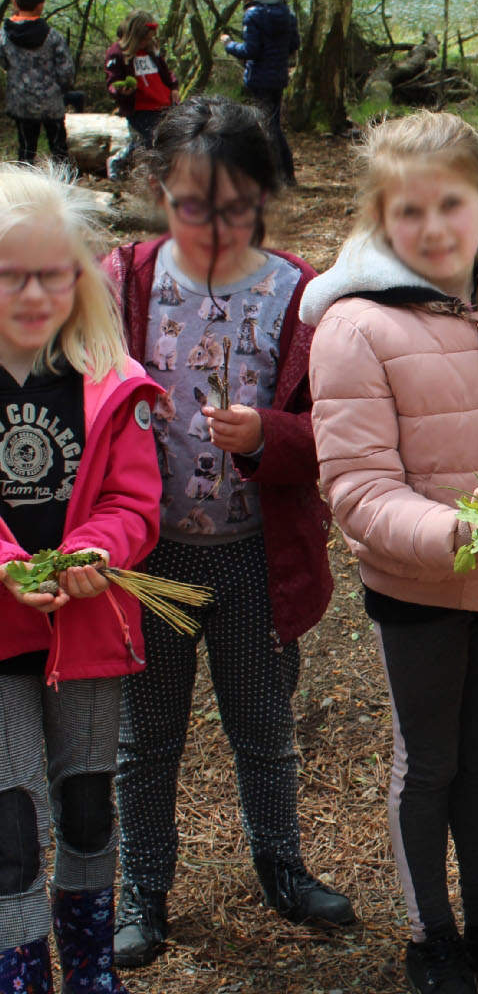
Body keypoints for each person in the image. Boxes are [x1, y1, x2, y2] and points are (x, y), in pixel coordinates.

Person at [303, 109, 478, 994]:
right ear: (379, 219)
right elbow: (358, 487)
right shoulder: (356, 329)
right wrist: (464, 533)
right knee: (432, 757)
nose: (433, 227)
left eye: (450, 204)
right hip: (418, 584)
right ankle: (431, 937)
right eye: (407, 212)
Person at [103, 97, 353, 969]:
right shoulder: (125, 281)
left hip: (254, 552)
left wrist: (271, 439)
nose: (214, 226)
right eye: (192, 206)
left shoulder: (302, 294)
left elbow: (348, 430)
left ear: (268, 197)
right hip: (148, 559)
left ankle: (281, 867)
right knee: (146, 737)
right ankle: (144, 887)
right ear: (156, 189)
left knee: (262, 725)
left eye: (238, 207)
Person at [0, 162, 162, 994]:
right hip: (1, 636)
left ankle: (92, 973)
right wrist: (5, 569)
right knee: (13, 822)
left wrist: (100, 548)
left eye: (54, 274)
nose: (35, 293)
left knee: (90, 806)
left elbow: (135, 498)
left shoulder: (107, 380)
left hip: (87, 631)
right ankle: (20, 970)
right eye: (11, 275)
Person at [220, 0, 300, 186]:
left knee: (267, 126)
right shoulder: (287, 13)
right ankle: (286, 174)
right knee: (273, 123)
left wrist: (229, 44)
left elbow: (251, 50)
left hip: (260, 77)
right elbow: (294, 45)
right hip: (279, 75)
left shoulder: (253, 14)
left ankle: (278, 175)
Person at [0, 0, 74, 166]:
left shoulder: (4, 36)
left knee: (26, 150)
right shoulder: (53, 36)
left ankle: (23, 189)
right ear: (40, 6)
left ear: (15, 3)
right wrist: (63, 89)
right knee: (59, 149)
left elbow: (3, 62)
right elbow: (67, 72)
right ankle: (65, 187)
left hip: (21, 101)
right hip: (51, 101)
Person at [104, 11, 178, 181]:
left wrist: (173, 87)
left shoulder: (152, 51)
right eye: (144, 39)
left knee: (164, 139)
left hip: (164, 102)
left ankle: (160, 174)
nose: (147, 42)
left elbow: (167, 73)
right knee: (149, 139)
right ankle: (119, 161)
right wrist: (121, 91)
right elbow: (113, 81)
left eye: (150, 38)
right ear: (133, 36)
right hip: (140, 108)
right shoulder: (117, 53)